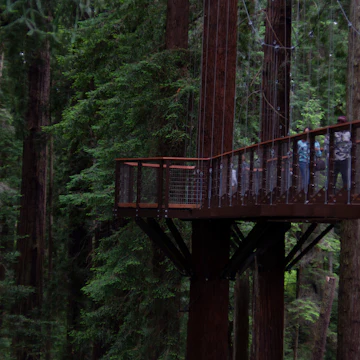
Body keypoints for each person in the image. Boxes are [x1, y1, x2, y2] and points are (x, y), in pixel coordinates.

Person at [324, 116, 352, 190]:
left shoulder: (348, 133)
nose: (340, 123)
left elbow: (351, 145)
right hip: (334, 158)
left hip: (345, 158)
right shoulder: (332, 132)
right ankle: (329, 195)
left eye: (342, 122)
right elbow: (326, 145)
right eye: (339, 121)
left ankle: (346, 195)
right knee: (331, 178)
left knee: (345, 177)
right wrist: (328, 155)